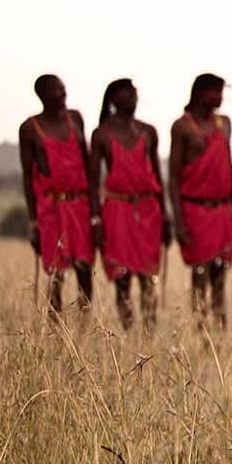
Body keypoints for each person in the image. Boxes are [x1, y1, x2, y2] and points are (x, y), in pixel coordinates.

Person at [169, 73, 232, 329]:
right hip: (195, 209)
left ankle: (220, 330)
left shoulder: (224, 123)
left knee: (221, 272)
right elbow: (174, 177)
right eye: (215, 92)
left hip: (221, 208)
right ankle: (200, 330)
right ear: (201, 93)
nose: (219, 97)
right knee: (200, 272)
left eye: (221, 92)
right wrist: (179, 222)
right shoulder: (182, 126)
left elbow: (229, 167)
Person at [90, 79, 169, 330]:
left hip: (148, 210)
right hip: (117, 210)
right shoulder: (102, 134)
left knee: (148, 276)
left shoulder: (148, 131)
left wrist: (165, 215)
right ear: (114, 100)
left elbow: (157, 175)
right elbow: (93, 183)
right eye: (127, 95)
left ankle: (149, 335)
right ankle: (127, 334)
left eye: (135, 94)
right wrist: (95, 219)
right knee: (122, 277)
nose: (133, 99)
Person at [18, 74, 96, 320]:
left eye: (63, 89)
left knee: (84, 266)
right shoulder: (30, 128)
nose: (64, 94)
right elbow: (28, 178)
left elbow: (87, 165)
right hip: (50, 207)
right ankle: (55, 329)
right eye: (57, 91)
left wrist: (95, 213)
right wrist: (33, 223)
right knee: (55, 272)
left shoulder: (75, 119)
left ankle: (85, 326)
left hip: (79, 204)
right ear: (43, 95)